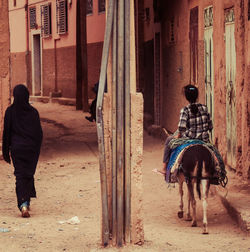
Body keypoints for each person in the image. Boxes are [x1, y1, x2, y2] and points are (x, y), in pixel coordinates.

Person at [2, 84, 43, 217]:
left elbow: (6, 133)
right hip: (31, 150)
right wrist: (36, 150)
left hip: (17, 149)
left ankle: (23, 204)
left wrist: (5, 151)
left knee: (20, 175)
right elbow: (39, 134)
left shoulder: (10, 111)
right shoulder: (33, 112)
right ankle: (26, 201)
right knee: (28, 174)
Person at [158, 84, 213, 175]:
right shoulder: (205, 108)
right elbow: (210, 127)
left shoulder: (185, 110)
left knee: (168, 140)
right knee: (215, 154)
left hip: (189, 139)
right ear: (196, 95)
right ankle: (218, 171)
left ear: (187, 97)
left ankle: (164, 168)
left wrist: (177, 136)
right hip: (204, 140)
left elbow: (182, 128)